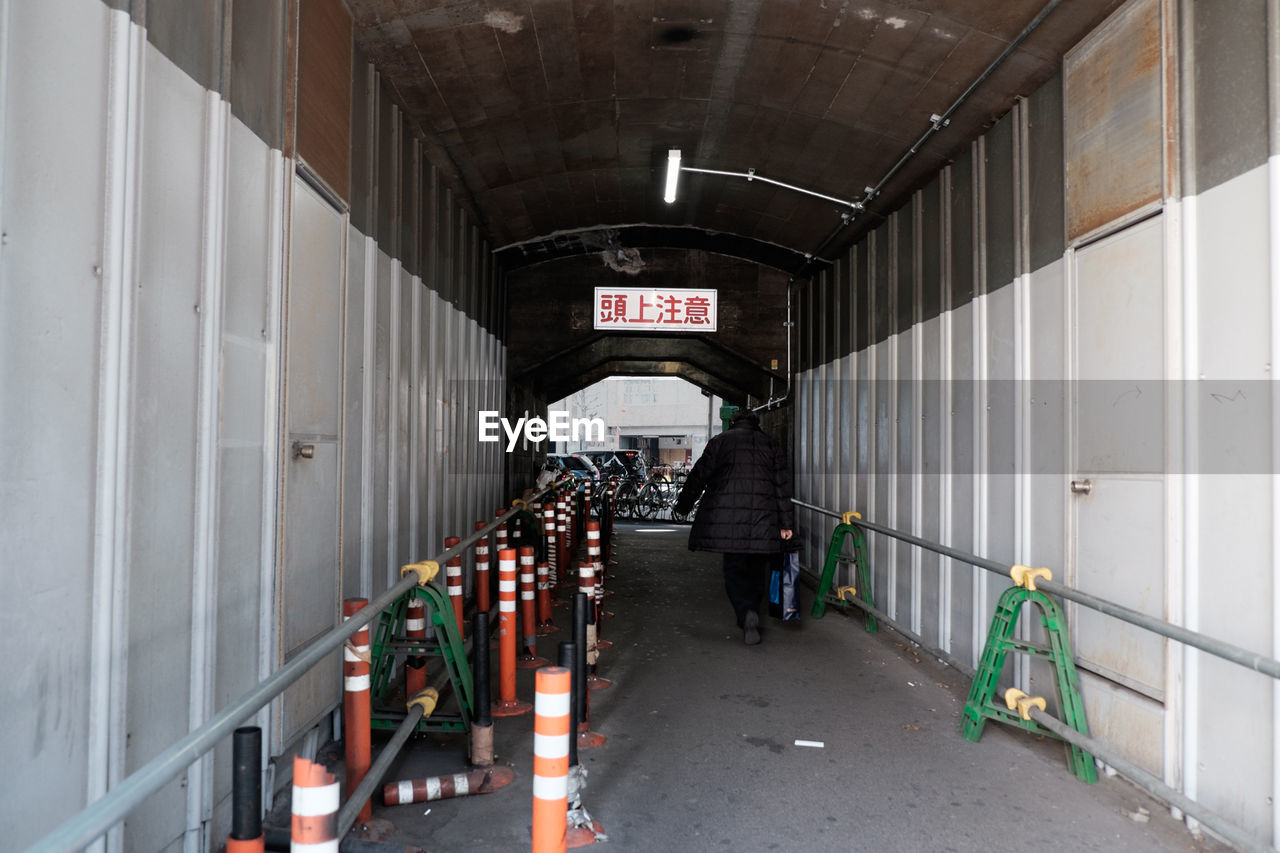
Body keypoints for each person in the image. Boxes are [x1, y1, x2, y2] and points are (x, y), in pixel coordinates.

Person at [673, 408, 794, 645]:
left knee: (734, 570)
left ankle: (744, 612)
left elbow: (699, 475)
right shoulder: (770, 444)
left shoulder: (720, 442)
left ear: (732, 422)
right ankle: (752, 610)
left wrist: (684, 505)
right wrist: (786, 524)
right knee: (757, 570)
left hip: (728, 523)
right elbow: (782, 486)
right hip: (763, 520)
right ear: (757, 424)